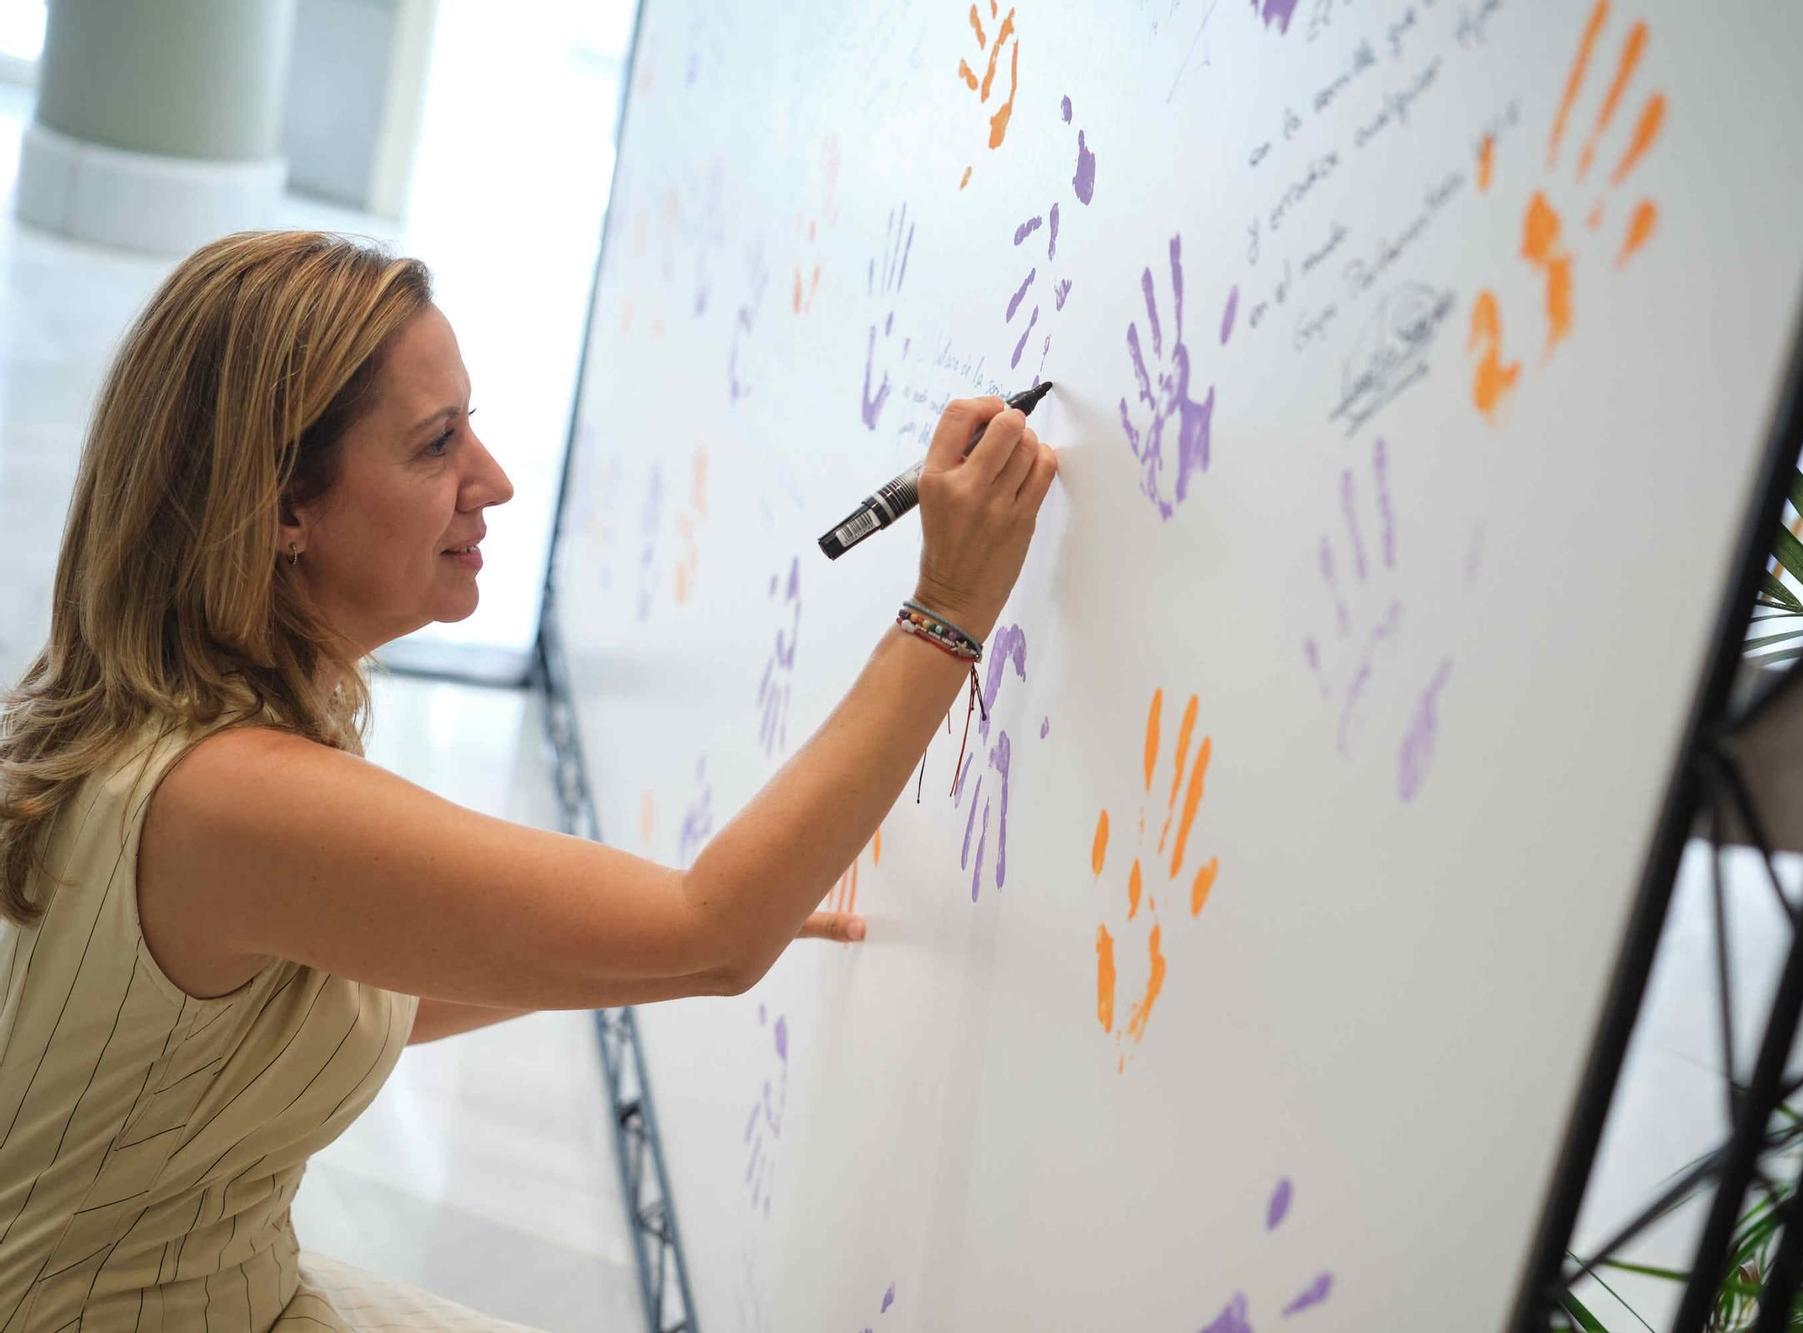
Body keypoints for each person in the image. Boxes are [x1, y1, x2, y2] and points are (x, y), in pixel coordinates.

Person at [0, 230, 1057, 1330]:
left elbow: (342, 1003)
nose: (493, 480)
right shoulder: (231, 794)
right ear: (281, 510)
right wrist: (948, 606)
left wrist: (656, 928)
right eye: (434, 444)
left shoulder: (187, 730)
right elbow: (713, 933)